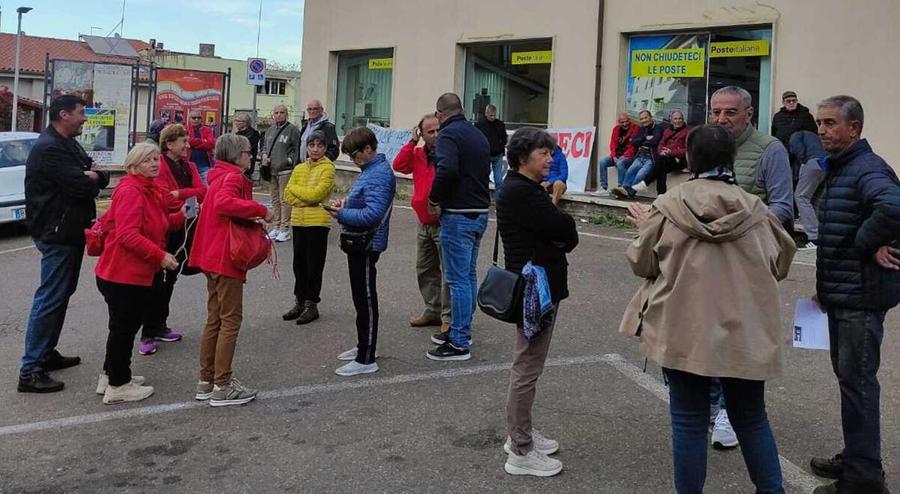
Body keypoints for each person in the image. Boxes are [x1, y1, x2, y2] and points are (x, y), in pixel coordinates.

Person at [622, 125, 796, 493]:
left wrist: (644, 229)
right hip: (744, 332)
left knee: (687, 421)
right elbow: (781, 263)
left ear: (688, 157)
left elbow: (642, 263)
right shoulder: (757, 211)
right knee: (751, 419)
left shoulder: (668, 206)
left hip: (682, 331)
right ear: (731, 158)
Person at [808, 95, 900, 494]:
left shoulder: (866, 168)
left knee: (859, 384)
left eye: (830, 123)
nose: (822, 130)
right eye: (819, 123)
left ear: (854, 128)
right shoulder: (844, 167)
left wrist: (866, 242)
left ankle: (864, 479)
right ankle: (859, 455)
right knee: (851, 382)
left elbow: (895, 207)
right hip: (844, 295)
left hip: (860, 300)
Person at [707, 86, 795, 447]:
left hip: (749, 262)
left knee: (738, 341)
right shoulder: (708, 143)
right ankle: (712, 404)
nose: (721, 120)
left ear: (748, 113)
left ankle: (730, 410)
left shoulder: (770, 149)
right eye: (716, 112)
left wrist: (738, 228)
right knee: (708, 335)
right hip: (709, 262)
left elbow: (783, 207)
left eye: (729, 113)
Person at [497, 128, 579, 477]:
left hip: (539, 287)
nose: (550, 159)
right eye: (543, 154)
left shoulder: (525, 189)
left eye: (551, 153)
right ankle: (520, 449)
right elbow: (565, 230)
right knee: (527, 367)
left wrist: (559, 230)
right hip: (536, 292)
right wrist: (561, 229)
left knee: (529, 364)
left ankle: (522, 432)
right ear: (522, 158)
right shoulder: (523, 192)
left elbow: (558, 231)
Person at [18, 95, 110, 394]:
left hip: (68, 230)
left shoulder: (67, 142)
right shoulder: (50, 149)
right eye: (81, 113)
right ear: (63, 115)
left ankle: (46, 353)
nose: (85, 118)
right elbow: (82, 184)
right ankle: (30, 370)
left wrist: (93, 174)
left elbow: (99, 175)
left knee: (60, 294)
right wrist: (90, 177)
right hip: (56, 231)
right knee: (51, 297)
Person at [94, 142, 185, 404]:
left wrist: (182, 215)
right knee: (124, 328)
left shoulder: (147, 188)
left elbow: (158, 222)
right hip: (123, 275)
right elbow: (128, 235)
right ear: (133, 165)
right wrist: (161, 256)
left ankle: (111, 374)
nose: (155, 163)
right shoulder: (132, 191)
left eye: (156, 159)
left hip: (126, 273)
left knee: (121, 327)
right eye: (148, 160)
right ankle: (118, 385)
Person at [189, 134, 273, 407]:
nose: (252, 156)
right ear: (237, 155)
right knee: (230, 320)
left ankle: (207, 379)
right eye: (249, 152)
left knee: (215, 319)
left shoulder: (217, 177)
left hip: (210, 256)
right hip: (225, 257)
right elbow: (225, 204)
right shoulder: (233, 178)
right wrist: (260, 209)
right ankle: (222, 385)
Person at [426, 93, 491, 361]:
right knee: (468, 275)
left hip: (458, 214)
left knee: (457, 279)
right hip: (480, 212)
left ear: (440, 115)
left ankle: (459, 341)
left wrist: (434, 198)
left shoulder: (449, 135)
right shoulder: (477, 134)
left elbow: (447, 170)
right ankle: (461, 329)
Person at [328, 127, 396, 376]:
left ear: (368, 149)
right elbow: (366, 203)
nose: (354, 161)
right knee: (362, 298)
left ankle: (366, 358)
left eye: (355, 155)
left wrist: (342, 213)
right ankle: (364, 346)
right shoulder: (371, 170)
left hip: (365, 243)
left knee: (365, 299)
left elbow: (373, 214)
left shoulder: (377, 174)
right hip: (360, 242)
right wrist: (347, 204)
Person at [139, 124, 207, 356]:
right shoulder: (162, 166)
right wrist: (184, 196)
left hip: (185, 226)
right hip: (166, 228)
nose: (188, 146)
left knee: (171, 278)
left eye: (188, 142)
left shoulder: (189, 165)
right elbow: (165, 198)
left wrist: (181, 194)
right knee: (157, 280)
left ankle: (160, 325)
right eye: (183, 142)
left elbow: (203, 190)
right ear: (169, 144)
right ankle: (148, 332)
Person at [393, 114, 452, 337]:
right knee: (425, 269)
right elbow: (399, 165)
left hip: (443, 221)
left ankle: (448, 317)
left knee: (448, 273)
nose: (435, 135)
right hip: (423, 222)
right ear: (422, 134)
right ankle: (433, 309)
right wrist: (411, 142)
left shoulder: (448, 153)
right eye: (430, 131)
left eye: (438, 130)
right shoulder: (417, 154)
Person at [281, 130, 336, 325]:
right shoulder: (299, 168)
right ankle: (300, 301)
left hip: (318, 222)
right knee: (299, 265)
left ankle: (312, 304)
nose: (315, 149)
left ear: (324, 148)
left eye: (319, 146)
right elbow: (287, 194)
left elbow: (317, 195)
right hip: (298, 221)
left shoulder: (328, 168)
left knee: (314, 265)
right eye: (312, 145)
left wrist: (299, 195)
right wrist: (304, 197)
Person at [261, 104, 302, 242]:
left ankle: (285, 228)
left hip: (285, 170)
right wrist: (264, 156)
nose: (279, 115)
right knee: (274, 199)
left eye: (282, 112)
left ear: (286, 114)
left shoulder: (293, 130)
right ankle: (276, 225)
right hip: (271, 169)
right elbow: (265, 147)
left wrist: (290, 161)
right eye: (276, 112)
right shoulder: (270, 130)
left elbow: (297, 149)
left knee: (285, 200)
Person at [630, 110, 689, 195]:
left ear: (683, 120)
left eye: (680, 119)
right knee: (661, 166)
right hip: (666, 158)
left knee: (661, 162)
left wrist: (671, 152)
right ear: (671, 121)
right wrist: (661, 152)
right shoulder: (667, 131)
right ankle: (661, 195)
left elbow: (688, 150)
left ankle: (646, 183)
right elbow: (660, 144)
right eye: (675, 119)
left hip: (679, 160)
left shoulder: (687, 132)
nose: (678, 121)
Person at [611, 110, 666, 199]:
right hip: (640, 156)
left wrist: (643, 140)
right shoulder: (641, 129)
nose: (644, 120)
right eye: (642, 119)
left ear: (650, 117)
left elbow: (655, 140)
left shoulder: (658, 127)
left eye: (646, 117)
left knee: (640, 174)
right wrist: (645, 138)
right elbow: (634, 142)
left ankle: (628, 192)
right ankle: (625, 191)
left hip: (651, 158)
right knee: (630, 172)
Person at [789, 130, 827, 250]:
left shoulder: (795, 135)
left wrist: (802, 162)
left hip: (813, 162)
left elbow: (798, 151)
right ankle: (821, 236)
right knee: (815, 200)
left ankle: (814, 237)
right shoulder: (813, 136)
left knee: (801, 196)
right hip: (826, 164)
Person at [597, 113, 639, 194]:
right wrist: (614, 156)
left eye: (626, 121)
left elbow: (634, 146)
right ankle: (603, 187)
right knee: (603, 162)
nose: (624, 124)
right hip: (617, 155)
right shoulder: (616, 129)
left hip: (630, 156)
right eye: (622, 122)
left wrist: (624, 156)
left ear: (629, 120)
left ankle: (621, 188)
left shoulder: (635, 128)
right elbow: (613, 144)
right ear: (618, 122)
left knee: (620, 163)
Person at [475, 104, 508, 190]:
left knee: (499, 180)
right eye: (491, 115)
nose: (493, 117)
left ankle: (499, 201)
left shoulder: (500, 124)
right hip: (485, 154)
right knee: (484, 178)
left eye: (494, 115)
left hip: (497, 155)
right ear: (486, 113)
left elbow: (504, 137)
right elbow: (476, 139)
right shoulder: (480, 125)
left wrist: (501, 146)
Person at [188, 109, 215, 184]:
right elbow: (187, 141)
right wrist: (202, 141)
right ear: (189, 119)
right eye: (194, 118)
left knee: (207, 190)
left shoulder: (207, 130)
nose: (196, 119)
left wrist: (193, 144)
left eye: (198, 118)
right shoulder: (185, 129)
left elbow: (211, 144)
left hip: (204, 166)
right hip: (188, 166)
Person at [233, 112, 261, 179]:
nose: (235, 123)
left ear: (245, 123)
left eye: (237, 121)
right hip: (237, 166)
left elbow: (243, 149)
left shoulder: (253, 134)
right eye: (235, 120)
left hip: (245, 167)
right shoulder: (238, 134)